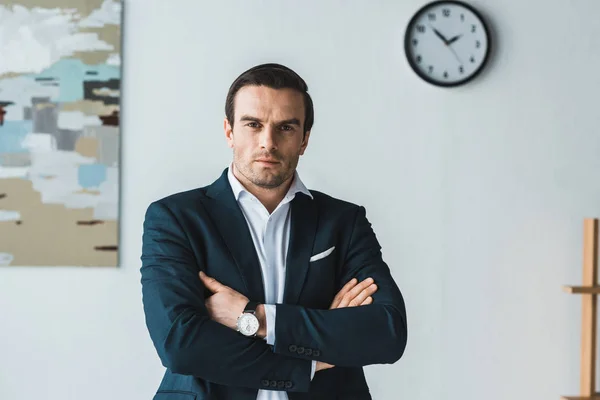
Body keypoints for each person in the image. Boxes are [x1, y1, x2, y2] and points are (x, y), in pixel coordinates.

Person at [140, 63, 407, 400]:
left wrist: (255, 318)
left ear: (304, 139)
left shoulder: (343, 222)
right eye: (253, 124)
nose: (268, 141)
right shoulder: (176, 218)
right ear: (229, 131)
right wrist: (312, 361)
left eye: (285, 127)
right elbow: (180, 344)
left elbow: (386, 331)